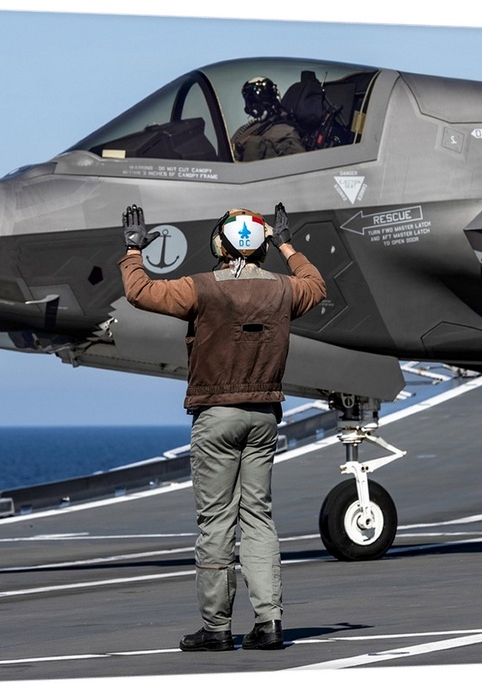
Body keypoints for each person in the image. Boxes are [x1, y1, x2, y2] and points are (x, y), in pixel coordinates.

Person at [118, 202, 326, 651]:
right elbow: (317, 285)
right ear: (262, 247)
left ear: (220, 243)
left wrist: (133, 250)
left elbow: (138, 292)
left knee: (216, 522)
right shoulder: (286, 290)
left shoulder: (201, 288)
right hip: (264, 414)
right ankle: (269, 623)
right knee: (258, 517)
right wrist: (287, 244)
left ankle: (216, 629)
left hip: (216, 415)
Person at [230, 77, 306, 162]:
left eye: (256, 102)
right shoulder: (248, 129)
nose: (254, 107)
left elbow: (299, 163)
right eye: (251, 102)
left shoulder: (283, 131)